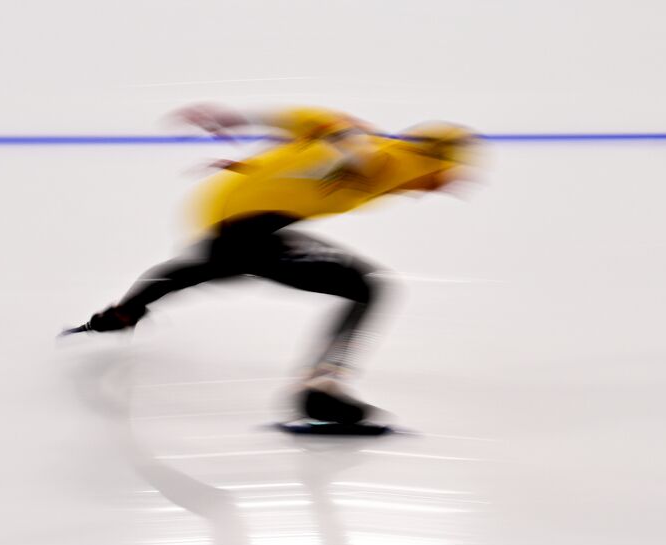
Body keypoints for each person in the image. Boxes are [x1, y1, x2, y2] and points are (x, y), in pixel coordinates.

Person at [62, 104, 475, 426]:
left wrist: (245, 134)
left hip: (233, 214)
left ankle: (123, 313)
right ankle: (321, 389)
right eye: (452, 174)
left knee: (216, 267)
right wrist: (349, 153)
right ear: (437, 161)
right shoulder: (393, 162)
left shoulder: (391, 160)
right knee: (366, 287)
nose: (452, 185)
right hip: (247, 223)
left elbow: (310, 122)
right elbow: (345, 137)